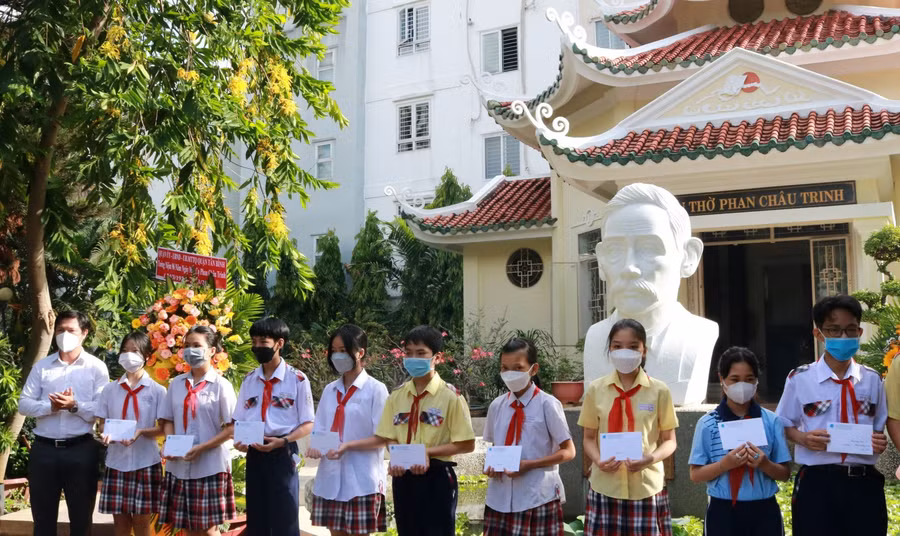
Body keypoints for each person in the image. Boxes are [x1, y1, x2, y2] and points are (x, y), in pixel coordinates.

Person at [583, 183, 718, 406]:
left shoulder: (701, 334)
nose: (629, 268)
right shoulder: (596, 338)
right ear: (601, 260)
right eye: (615, 250)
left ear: (688, 257)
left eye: (649, 248)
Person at [775, 295, 888, 536]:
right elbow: (783, 423)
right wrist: (803, 438)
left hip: (864, 483)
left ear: (859, 331)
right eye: (834, 330)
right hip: (817, 484)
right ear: (819, 334)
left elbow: (879, 429)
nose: (843, 337)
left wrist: (879, 441)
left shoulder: (872, 379)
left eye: (850, 330)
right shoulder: (800, 379)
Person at [363, 325, 476, 536]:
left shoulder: (451, 396)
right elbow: (388, 435)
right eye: (408, 353)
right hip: (403, 478)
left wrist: (427, 453)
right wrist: (397, 458)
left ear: (437, 357)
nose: (413, 358)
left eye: (421, 353)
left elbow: (467, 443)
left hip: (437, 477)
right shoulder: (396, 396)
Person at [577, 318, 678, 536]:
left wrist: (649, 459)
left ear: (644, 351)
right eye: (617, 346)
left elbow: (670, 440)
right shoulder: (596, 390)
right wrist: (598, 460)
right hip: (605, 485)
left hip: (646, 486)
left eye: (633, 346)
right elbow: (588, 438)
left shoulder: (659, 391)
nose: (625, 352)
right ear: (609, 350)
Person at [18, 310, 110, 536]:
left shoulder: (96, 367)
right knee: (42, 519)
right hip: (44, 451)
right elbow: (24, 404)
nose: (65, 335)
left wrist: (74, 405)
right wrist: (51, 407)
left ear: (84, 333)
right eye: (60, 330)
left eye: (71, 330)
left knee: (81, 520)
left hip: (81, 450)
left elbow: (102, 409)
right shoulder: (43, 367)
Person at [689, 347, 791, 536]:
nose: (742, 386)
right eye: (735, 379)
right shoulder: (708, 423)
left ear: (757, 381)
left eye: (749, 379)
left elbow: (784, 473)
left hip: (764, 511)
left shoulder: (771, 421)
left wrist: (764, 464)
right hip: (723, 511)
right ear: (722, 380)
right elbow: (696, 475)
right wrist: (724, 464)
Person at [482, 337, 575, 536]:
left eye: (517, 368)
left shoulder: (547, 404)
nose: (510, 374)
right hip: (499, 498)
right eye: (504, 368)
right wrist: (491, 465)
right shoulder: (497, 406)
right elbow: (495, 446)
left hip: (537, 496)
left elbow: (569, 451)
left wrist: (529, 464)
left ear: (533, 369)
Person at [232, 317, 314, 536]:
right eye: (254, 341)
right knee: (257, 518)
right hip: (255, 454)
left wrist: (284, 440)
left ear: (279, 343)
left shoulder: (297, 379)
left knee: (284, 518)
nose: (257, 347)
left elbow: (308, 423)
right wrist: (240, 440)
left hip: (282, 452)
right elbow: (239, 419)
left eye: (263, 341)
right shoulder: (250, 379)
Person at [308, 324, 389, 536]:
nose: (337, 356)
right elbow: (320, 430)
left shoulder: (376, 389)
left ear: (360, 352)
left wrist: (348, 446)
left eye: (343, 351)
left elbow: (384, 437)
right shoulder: (330, 390)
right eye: (333, 351)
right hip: (331, 477)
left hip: (362, 480)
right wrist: (317, 446)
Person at [158, 325, 237, 536]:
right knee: (187, 528)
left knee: (208, 528)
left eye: (197, 346)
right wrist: (169, 442)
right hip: (179, 464)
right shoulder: (177, 384)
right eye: (187, 346)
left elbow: (232, 427)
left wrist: (202, 447)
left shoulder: (221, 385)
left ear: (212, 351)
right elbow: (167, 419)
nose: (190, 350)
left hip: (209, 466)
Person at [97, 331, 167, 536]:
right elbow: (102, 424)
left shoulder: (157, 391)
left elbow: (163, 427)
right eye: (125, 350)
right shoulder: (109, 390)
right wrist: (105, 434)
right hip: (116, 462)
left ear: (147, 356)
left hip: (145, 462)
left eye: (135, 351)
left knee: (143, 523)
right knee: (120, 524)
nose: (129, 355)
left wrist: (141, 432)